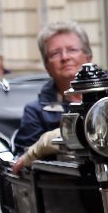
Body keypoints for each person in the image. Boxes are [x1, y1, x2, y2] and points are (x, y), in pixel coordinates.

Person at [11, 21, 93, 173]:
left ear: (88, 57)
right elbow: (23, 164)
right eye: (55, 53)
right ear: (47, 65)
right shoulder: (35, 112)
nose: (65, 57)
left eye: (72, 50)